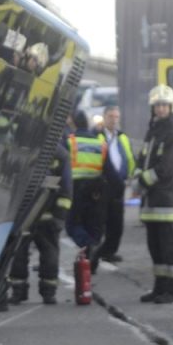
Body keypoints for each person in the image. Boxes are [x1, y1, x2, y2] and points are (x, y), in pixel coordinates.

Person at [135, 85, 173, 304]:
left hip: (167, 201)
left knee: (172, 248)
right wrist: (138, 173)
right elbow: (143, 159)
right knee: (156, 248)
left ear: (171, 106)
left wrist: (142, 180)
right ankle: (161, 288)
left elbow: (165, 169)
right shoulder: (154, 130)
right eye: (157, 105)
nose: (160, 109)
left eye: (164, 105)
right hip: (153, 202)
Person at [8, 145, 72, 305]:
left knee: (20, 252)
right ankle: (48, 293)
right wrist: (60, 216)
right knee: (47, 252)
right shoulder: (61, 154)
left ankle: (19, 291)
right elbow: (67, 187)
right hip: (45, 216)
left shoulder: (27, 148)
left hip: (27, 215)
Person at [94, 106, 135, 266]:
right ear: (104, 117)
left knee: (116, 222)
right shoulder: (98, 135)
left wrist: (130, 175)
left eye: (116, 117)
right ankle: (95, 254)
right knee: (101, 221)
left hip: (119, 184)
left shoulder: (122, 137)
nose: (114, 120)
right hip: (104, 184)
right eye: (111, 116)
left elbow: (129, 157)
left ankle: (109, 251)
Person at [65, 110, 106, 266]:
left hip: (75, 188)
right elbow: (109, 170)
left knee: (71, 225)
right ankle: (90, 261)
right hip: (95, 190)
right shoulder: (100, 144)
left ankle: (89, 245)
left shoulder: (70, 142)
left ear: (73, 123)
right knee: (90, 225)